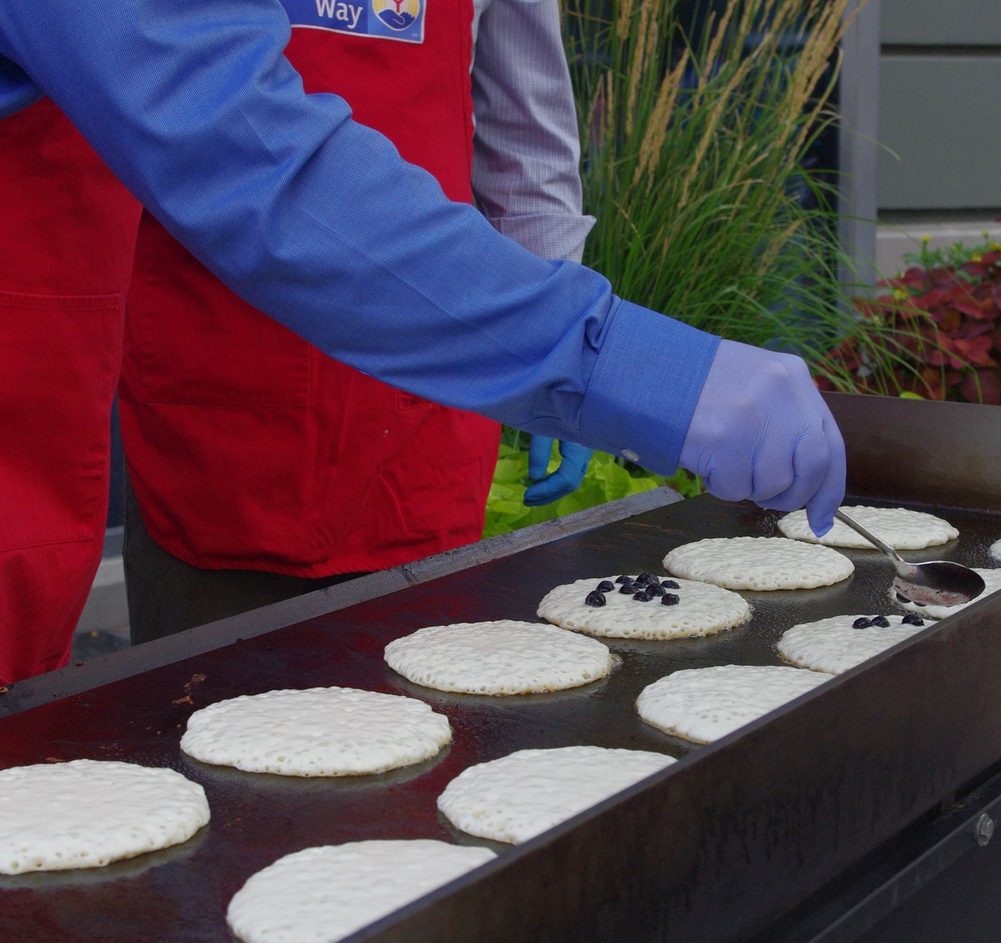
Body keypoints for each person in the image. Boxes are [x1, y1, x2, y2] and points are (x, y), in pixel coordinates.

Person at [0, 0, 845, 685]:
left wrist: (565, 356)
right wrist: (615, 362)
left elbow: (526, 139)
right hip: (216, 401)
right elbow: (244, 152)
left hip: (437, 397)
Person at [119, 0, 596, 640]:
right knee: (195, 708)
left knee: (427, 700)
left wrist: (561, 338)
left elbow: (525, 148)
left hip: (422, 397)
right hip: (210, 379)